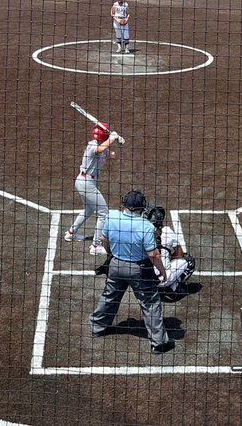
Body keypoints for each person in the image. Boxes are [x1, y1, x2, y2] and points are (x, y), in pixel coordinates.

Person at [89, 190, 174, 354]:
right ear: (142, 207)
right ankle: (158, 343)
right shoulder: (146, 226)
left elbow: (104, 240)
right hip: (139, 270)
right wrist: (162, 270)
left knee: (110, 296)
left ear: (125, 204)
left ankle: (96, 327)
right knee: (150, 303)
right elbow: (153, 254)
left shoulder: (112, 217)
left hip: (115, 266)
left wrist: (111, 255)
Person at [65, 120, 123, 255]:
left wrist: (119, 142)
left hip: (86, 182)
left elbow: (112, 155)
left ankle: (70, 233)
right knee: (104, 213)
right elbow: (100, 150)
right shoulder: (92, 146)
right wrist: (112, 138)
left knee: (89, 209)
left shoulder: (103, 146)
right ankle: (96, 246)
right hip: (85, 183)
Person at [145, 205, 196, 300]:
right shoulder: (167, 231)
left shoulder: (138, 232)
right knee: (189, 261)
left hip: (142, 279)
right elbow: (179, 254)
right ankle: (174, 287)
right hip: (163, 279)